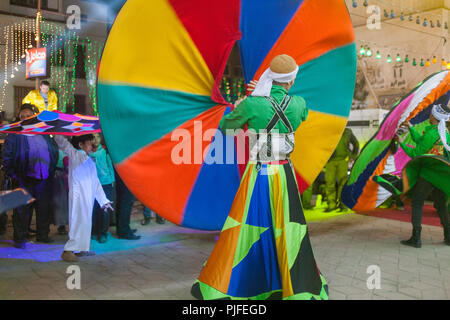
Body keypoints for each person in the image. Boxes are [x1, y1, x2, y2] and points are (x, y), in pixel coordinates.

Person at [191, 54, 328, 300]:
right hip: (285, 175)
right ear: (291, 80)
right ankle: (290, 282)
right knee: (286, 227)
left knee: (249, 226)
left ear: (270, 78)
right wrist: (262, 98)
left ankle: (242, 282)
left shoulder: (252, 104)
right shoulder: (299, 103)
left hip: (259, 174)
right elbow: (300, 115)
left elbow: (226, 127)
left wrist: (246, 102)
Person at [3, 104, 59, 248]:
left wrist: (51, 169)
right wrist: (14, 175)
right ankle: (20, 238)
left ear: (34, 117)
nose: (26, 118)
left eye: (29, 116)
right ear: (19, 118)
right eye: (23, 116)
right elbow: (7, 156)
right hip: (23, 178)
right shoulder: (15, 135)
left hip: (44, 177)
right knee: (21, 210)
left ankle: (42, 235)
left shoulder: (43, 132)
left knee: (43, 208)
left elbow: (53, 150)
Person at [395, 103, 450, 248]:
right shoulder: (444, 133)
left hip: (428, 174)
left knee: (417, 202)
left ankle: (416, 238)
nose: (430, 115)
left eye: (431, 114)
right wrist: (411, 127)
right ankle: (449, 236)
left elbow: (415, 153)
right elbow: (421, 142)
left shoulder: (432, 133)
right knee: (441, 205)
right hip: (442, 176)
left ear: (434, 116)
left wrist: (401, 142)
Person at [54, 134, 113, 262]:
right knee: (77, 222)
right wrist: (57, 132)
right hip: (78, 196)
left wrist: (103, 201)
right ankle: (68, 251)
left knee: (86, 222)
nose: (91, 146)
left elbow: (95, 182)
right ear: (81, 145)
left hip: (88, 196)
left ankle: (82, 249)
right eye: (89, 143)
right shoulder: (75, 155)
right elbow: (64, 144)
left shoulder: (88, 159)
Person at [324, 127, 359, 212]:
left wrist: (353, 156)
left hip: (343, 161)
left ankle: (343, 206)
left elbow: (356, 143)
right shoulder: (327, 130)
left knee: (342, 184)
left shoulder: (347, 131)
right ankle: (331, 205)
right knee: (329, 183)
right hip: (330, 161)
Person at [90, 134, 115, 243]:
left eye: (97, 137)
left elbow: (110, 166)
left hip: (106, 183)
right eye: (93, 138)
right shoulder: (88, 153)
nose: (95, 140)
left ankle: (103, 233)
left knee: (104, 209)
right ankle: (94, 231)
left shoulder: (105, 152)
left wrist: (112, 181)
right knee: (94, 209)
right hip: (92, 184)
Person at [115, 169, 140, 240]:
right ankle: (124, 231)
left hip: (122, 173)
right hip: (126, 175)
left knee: (122, 202)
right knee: (126, 203)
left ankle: (122, 229)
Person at [52, 149, 69, 235]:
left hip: (62, 175)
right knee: (61, 201)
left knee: (62, 201)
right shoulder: (58, 150)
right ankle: (61, 224)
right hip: (60, 175)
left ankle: (62, 224)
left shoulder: (62, 149)